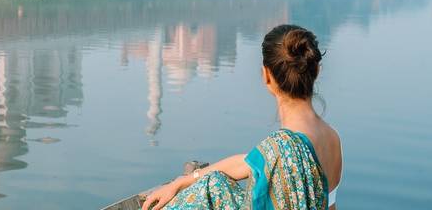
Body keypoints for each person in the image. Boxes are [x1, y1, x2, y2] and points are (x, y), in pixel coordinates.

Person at [143, 25, 343, 210]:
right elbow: (247, 163)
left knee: (207, 190)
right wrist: (183, 181)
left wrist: (183, 185)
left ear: (266, 76)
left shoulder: (279, 148)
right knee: (215, 184)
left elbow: (261, 159)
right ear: (317, 70)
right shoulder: (332, 139)